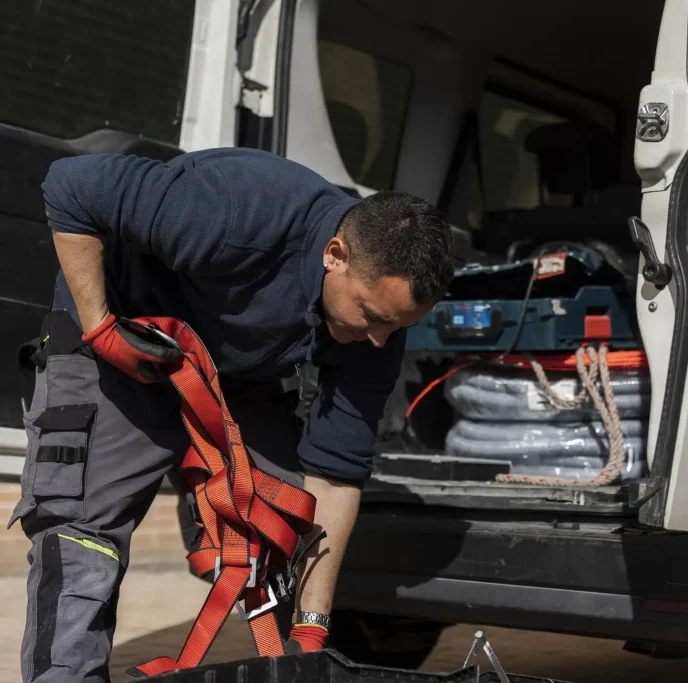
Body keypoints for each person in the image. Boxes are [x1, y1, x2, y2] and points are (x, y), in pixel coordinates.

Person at [14, 147, 454, 683]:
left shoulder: (377, 322)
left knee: (287, 519)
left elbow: (337, 473)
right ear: (334, 254)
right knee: (83, 532)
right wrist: (100, 326)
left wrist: (312, 632)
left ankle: (288, 662)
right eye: (371, 314)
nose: (381, 339)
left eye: (395, 326)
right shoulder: (231, 212)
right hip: (121, 341)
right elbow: (71, 187)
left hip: (232, 371)